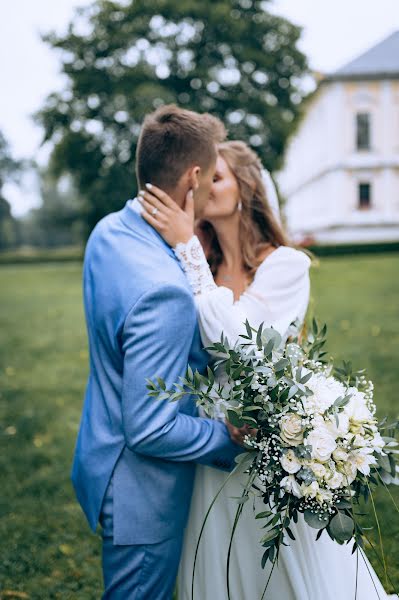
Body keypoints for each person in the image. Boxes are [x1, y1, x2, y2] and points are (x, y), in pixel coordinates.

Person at [139, 140, 393, 599]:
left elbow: (241, 346)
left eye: (216, 178)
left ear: (246, 186)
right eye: (200, 179)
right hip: (211, 440)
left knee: (278, 565)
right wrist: (190, 254)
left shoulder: (286, 265)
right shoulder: (201, 263)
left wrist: (188, 254)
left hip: (267, 439)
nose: (202, 188)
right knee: (218, 557)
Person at [71, 105, 246, 600]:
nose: (215, 186)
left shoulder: (109, 232)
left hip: (102, 454)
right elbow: (151, 426)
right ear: (193, 178)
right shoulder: (164, 292)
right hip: (140, 493)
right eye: (212, 176)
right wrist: (232, 440)